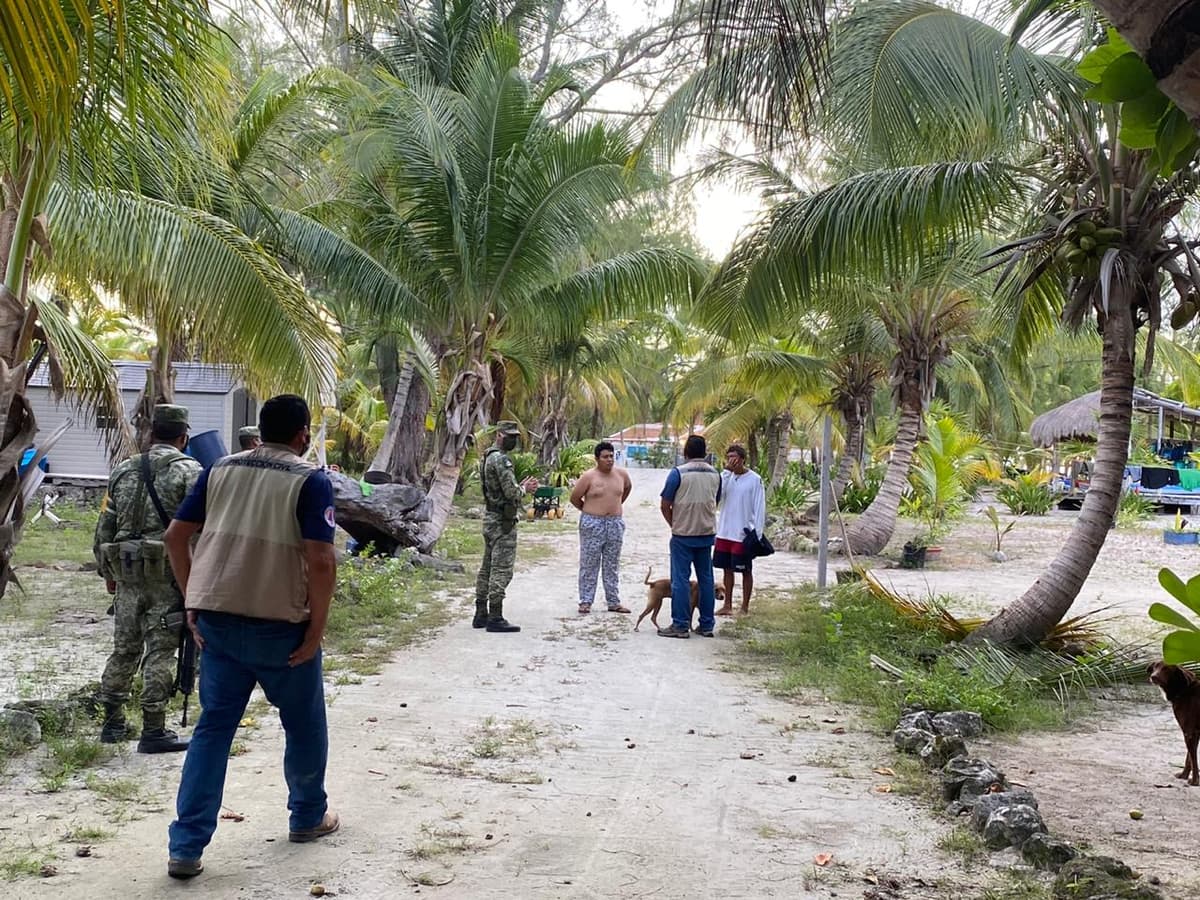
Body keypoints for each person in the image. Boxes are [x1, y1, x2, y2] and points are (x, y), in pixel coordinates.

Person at [162, 394, 339, 879]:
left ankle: (186, 846)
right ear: (303, 434)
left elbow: (175, 537)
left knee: (213, 730)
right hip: (282, 628)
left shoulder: (218, 469)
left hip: (217, 621)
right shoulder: (310, 480)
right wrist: (316, 629)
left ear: (260, 431)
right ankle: (307, 816)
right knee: (303, 725)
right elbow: (321, 560)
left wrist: (193, 597)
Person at [94, 404, 202, 754]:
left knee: (124, 648)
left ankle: (112, 723)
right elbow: (201, 530)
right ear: (184, 437)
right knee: (161, 652)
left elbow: (105, 525)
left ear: (151, 433)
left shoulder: (123, 469)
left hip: (127, 574)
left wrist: (107, 572)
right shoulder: (190, 471)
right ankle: (153, 730)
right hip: (169, 577)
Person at [475, 421, 538, 633]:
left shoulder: (487, 456)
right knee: (501, 568)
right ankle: (495, 616)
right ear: (499, 435)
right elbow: (511, 493)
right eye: (510, 436)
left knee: (487, 567)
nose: (513, 440)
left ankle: (480, 612)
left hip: (491, 518)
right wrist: (525, 488)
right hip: (503, 521)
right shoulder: (501, 459)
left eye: (515, 437)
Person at [658, 435, 722, 638]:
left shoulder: (678, 473)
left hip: (682, 535)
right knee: (706, 580)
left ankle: (680, 625)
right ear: (705, 452)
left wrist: (675, 524)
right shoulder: (715, 474)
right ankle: (707, 625)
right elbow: (715, 500)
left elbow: (665, 505)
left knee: (680, 580)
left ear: (685, 452)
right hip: (706, 534)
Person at [570, 441, 632, 615]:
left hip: (614, 523)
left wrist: (615, 506)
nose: (609, 460)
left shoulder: (621, 475)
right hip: (592, 523)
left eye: (611, 456)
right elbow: (574, 498)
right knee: (589, 563)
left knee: (611, 564)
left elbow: (627, 489)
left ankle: (613, 601)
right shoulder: (589, 476)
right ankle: (585, 601)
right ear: (597, 459)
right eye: (605, 457)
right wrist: (589, 511)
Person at [714, 444, 766, 616]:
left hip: (742, 533)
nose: (732, 460)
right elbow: (717, 497)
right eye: (729, 457)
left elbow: (759, 506)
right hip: (724, 532)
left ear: (743, 459)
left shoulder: (754, 479)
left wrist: (757, 533)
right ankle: (727, 605)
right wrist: (726, 473)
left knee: (745, 570)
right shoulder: (725, 477)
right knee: (726, 569)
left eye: (734, 457)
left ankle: (744, 607)